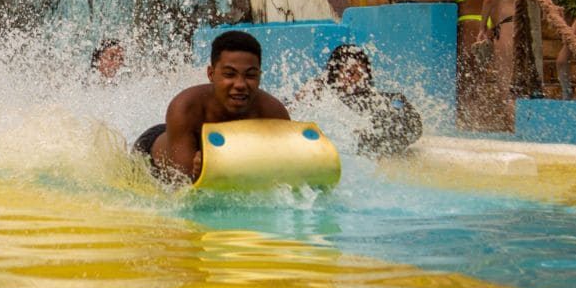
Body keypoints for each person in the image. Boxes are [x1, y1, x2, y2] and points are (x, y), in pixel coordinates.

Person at [132, 30, 290, 186]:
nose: (241, 84)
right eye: (229, 74)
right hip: (151, 157)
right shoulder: (186, 108)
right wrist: (202, 171)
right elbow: (185, 188)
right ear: (211, 74)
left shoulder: (273, 113)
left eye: (250, 75)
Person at [293, 44, 422, 157]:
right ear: (335, 74)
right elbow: (295, 111)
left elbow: (414, 126)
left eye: (361, 74)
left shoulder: (373, 100)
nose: (356, 79)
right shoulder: (321, 93)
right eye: (350, 73)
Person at [431, 0, 491, 126]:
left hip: (466, 22)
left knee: (464, 77)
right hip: (485, 24)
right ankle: (480, 121)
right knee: (478, 77)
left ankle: (465, 123)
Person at [556, 14, 576, 100]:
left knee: (562, 61)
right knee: (562, 61)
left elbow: (561, 61)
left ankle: (566, 94)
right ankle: (566, 94)